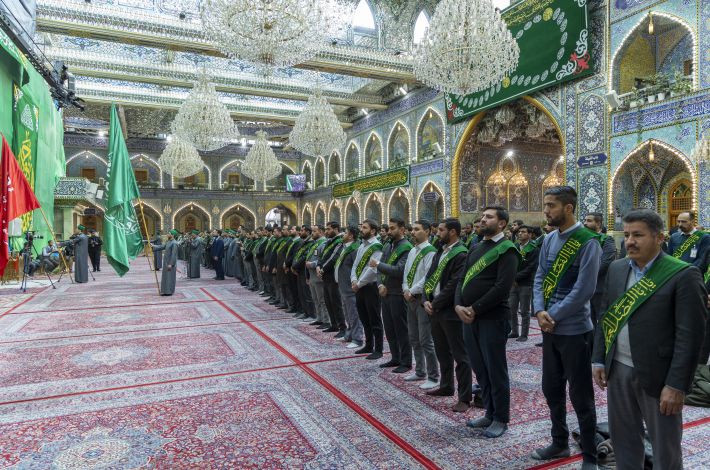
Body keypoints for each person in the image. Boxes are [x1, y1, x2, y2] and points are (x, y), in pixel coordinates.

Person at [592, 209, 707, 470]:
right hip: (618, 369)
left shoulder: (683, 275)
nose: (630, 241)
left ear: (659, 238)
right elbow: (606, 316)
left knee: (665, 448)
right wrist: (599, 358)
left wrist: (676, 385)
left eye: (638, 235)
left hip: (660, 376)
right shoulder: (617, 268)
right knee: (623, 441)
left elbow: (690, 337)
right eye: (627, 235)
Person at [531, 186, 601, 469]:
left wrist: (552, 314)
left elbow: (584, 290)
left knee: (581, 396)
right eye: (545, 204)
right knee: (552, 388)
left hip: (575, 331)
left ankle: (590, 455)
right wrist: (539, 310)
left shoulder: (588, 242)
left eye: (551, 205)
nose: (546, 211)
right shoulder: (549, 239)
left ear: (568, 208)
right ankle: (559, 442)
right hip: (550, 328)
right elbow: (540, 276)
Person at [455, 207, 519, 437]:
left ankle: (501, 418)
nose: (483, 220)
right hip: (469, 318)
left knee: (495, 370)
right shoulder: (475, 247)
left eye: (489, 217)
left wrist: (474, 308)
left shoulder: (507, 250)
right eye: (482, 216)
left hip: (493, 318)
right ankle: (489, 413)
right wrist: (458, 305)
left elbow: (502, 288)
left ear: (502, 223)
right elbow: (461, 279)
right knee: (480, 368)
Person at [423, 218, 472, 413]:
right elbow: (429, 276)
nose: (437, 233)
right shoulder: (440, 251)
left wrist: (435, 303)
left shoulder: (461, 254)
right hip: (435, 309)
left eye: (441, 230)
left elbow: (454, 284)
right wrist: (425, 299)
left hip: (450, 311)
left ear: (452, 232)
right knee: (442, 351)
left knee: (460, 355)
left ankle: (465, 397)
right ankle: (446, 385)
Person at [371, 217, 413, 372]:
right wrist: (380, 284)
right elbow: (379, 270)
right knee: (389, 328)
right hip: (385, 293)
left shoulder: (406, 248)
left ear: (402, 229)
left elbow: (399, 271)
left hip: (398, 294)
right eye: (389, 228)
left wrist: (378, 264)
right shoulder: (388, 245)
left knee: (401, 329)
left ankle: (406, 362)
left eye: (393, 228)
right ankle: (395, 358)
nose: (389, 231)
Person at [402, 219, 439, 389]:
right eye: (412, 229)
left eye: (417, 229)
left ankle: (433, 376)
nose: (413, 232)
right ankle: (420, 371)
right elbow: (406, 273)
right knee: (413, 337)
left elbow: (428, 277)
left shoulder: (430, 252)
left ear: (428, 231)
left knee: (426, 340)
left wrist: (412, 290)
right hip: (409, 298)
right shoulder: (412, 251)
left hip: (422, 299)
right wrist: (405, 289)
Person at [350, 219, 384, 360]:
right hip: (359, 286)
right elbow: (355, 265)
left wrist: (359, 283)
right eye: (361, 227)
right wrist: (353, 280)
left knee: (374, 318)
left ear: (373, 231)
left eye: (364, 228)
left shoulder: (377, 246)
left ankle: (379, 349)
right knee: (364, 317)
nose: (361, 230)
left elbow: (372, 270)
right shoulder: (362, 245)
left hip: (370, 287)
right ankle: (369, 345)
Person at [584, 212, 618, 327]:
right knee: (588, 323)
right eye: (585, 220)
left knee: (602, 323)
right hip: (585, 289)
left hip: (599, 289)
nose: (585, 223)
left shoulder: (607, 240)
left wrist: (585, 274)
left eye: (589, 221)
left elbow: (605, 263)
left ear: (598, 224)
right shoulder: (583, 240)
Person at [335, 225, 364, 349]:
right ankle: (349, 335)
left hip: (349, 286)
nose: (343, 235)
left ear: (351, 236)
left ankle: (357, 339)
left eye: (345, 233)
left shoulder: (355, 249)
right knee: (347, 312)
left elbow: (357, 268)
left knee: (354, 314)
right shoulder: (346, 247)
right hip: (342, 285)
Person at [508, 225, 539, 341]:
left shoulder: (534, 249)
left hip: (525, 283)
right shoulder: (514, 246)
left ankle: (524, 334)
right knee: (512, 309)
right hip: (513, 283)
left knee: (525, 310)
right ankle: (514, 331)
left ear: (530, 234)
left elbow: (531, 267)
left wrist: (515, 277)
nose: (520, 234)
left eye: (523, 232)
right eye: (519, 232)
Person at [318, 222, 346, 335]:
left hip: (333, 276)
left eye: (329, 229)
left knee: (336, 302)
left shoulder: (339, 241)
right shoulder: (329, 241)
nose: (326, 231)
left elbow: (334, 258)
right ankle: (333, 324)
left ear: (336, 229)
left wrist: (322, 268)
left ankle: (342, 327)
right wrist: (318, 265)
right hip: (325, 275)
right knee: (328, 301)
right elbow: (322, 256)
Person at [152, 230, 179, 295]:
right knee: (165, 277)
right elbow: (162, 247)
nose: (167, 234)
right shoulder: (168, 242)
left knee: (170, 277)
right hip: (166, 262)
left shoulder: (174, 243)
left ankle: (169, 291)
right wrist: (153, 246)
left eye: (169, 233)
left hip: (170, 263)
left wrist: (171, 264)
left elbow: (173, 255)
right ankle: (165, 291)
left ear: (172, 235)